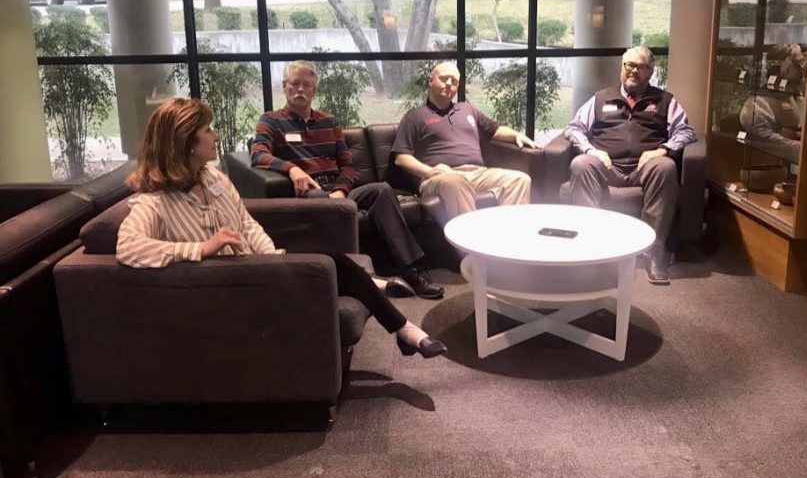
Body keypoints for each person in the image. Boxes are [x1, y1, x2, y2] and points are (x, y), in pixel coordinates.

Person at [117, 98, 447, 359]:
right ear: (186, 141)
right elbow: (128, 247)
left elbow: (246, 223)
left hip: (256, 267)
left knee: (333, 261)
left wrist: (272, 257)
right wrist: (199, 249)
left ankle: (404, 330)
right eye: (208, 130)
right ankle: (405, 329)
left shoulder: (213, 177)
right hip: (227, 286)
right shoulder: (154, 200)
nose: (216, 135)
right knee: (331, 264)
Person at [250, 60, 443, 300]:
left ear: (314, 90)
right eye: (294, 84)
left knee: (381, 189)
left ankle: (412, 270)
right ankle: (360, 277)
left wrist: (341, 190)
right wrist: (292, 169)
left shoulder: (328, 122)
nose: (300, 89)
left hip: (338, 188)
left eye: (306, 85)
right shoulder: (271, 120)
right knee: (323, 200)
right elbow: (258, 154)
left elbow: (347, 164)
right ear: (284, 87)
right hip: (309, 191)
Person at [562, 46, 697, 285]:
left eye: (640, 67)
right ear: (621, 68)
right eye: (629, 65)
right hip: (606, 165)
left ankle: (654, 252)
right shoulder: (601, 98)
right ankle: (587, 246)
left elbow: (685, 131)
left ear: (650, 71)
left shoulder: (665, 100)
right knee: (581, 163)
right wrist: (593, 151)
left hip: (644, 167)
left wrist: (662, 150)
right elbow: (574, 129)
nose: (633, 71)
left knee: (665, 167)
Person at [391, 61, 537, 223]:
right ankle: (471, 242)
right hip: (440, 177)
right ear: (431, 80)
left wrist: (516, 134)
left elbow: (493, 129)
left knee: (520, 179)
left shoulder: (467, 109)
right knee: (455, 181)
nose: (449, 84)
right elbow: (401, 158)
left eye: (453, 81)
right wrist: (430, 171)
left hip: (477, 173)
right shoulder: (415, 117)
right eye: (444, 78)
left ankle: (506, 241)